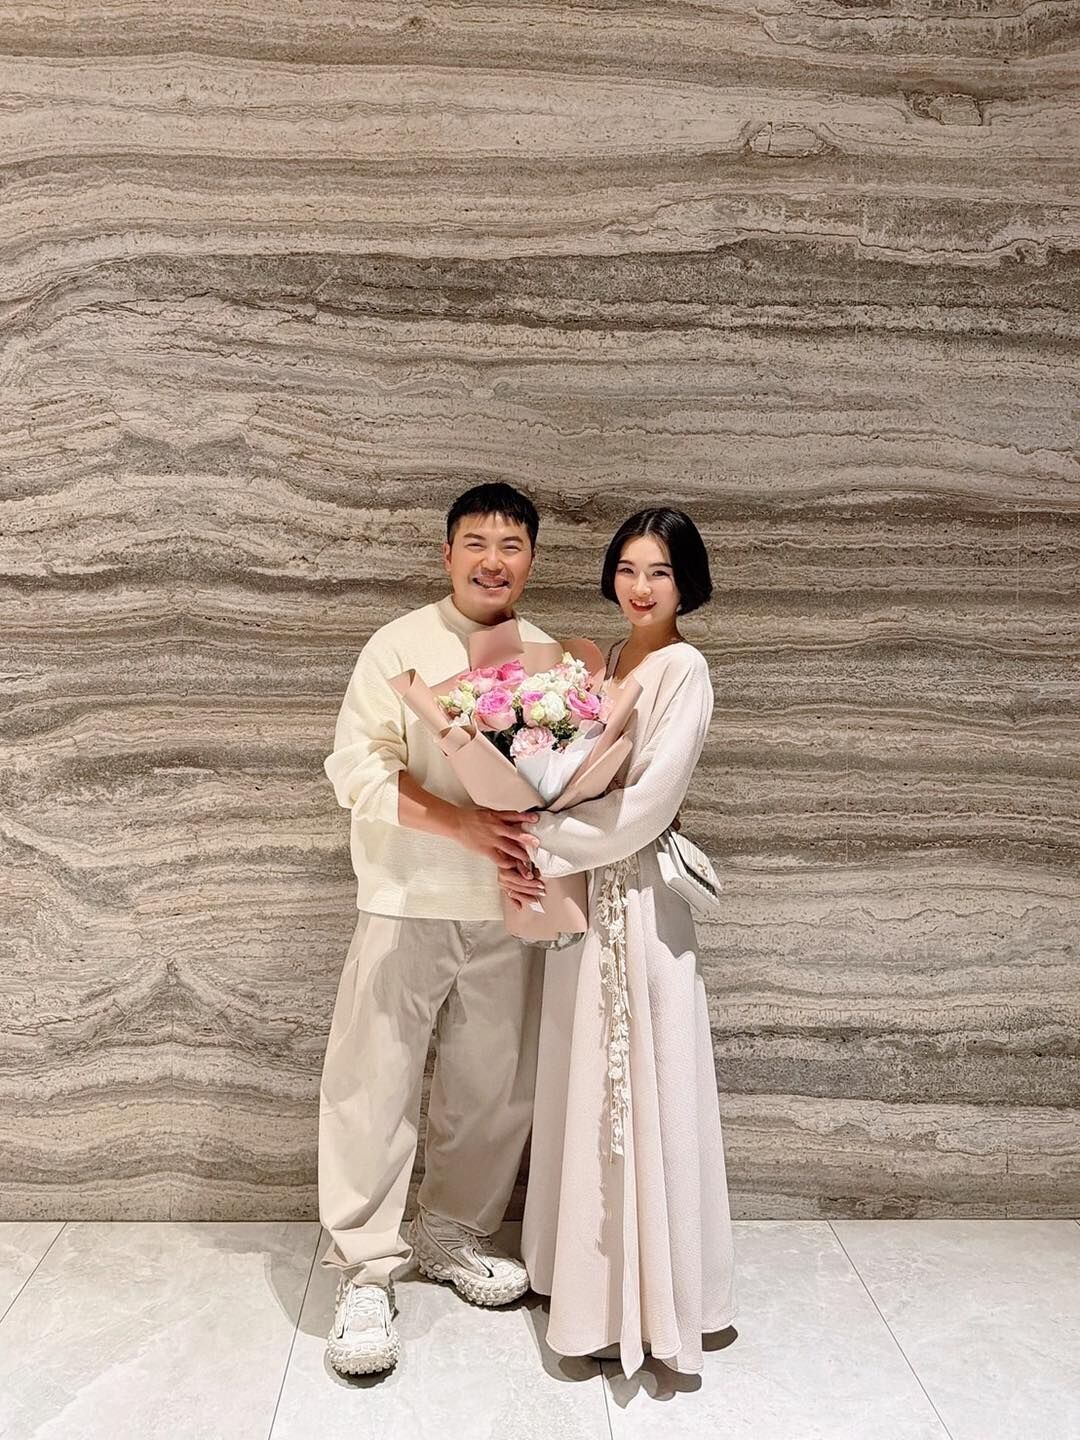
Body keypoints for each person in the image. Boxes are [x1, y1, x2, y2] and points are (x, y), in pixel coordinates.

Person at [318, 483, 551, 1376]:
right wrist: (462, 825)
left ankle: (451, 1233)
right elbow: (357, 769)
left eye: (511, 544)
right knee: (372, 1085)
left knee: (492, 1086)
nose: (494, 559)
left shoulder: (547, 660)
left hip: (508, 904)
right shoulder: (400, 644)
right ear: (447, 554)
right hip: (404, 897)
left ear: (531, 559)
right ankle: (365, 1270)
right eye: (476, 542)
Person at [502, 507, 736, 1377]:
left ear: (686, 584)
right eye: (629, 568)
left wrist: (543, 833)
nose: (641, 587)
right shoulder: (603, 661)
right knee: (587, 1078)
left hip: (639, 901)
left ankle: (653, 1303)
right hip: (586, 895)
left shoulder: (684, 669)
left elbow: (648, 804)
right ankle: (587, 1286)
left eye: (660, 572)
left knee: (644, 1078)